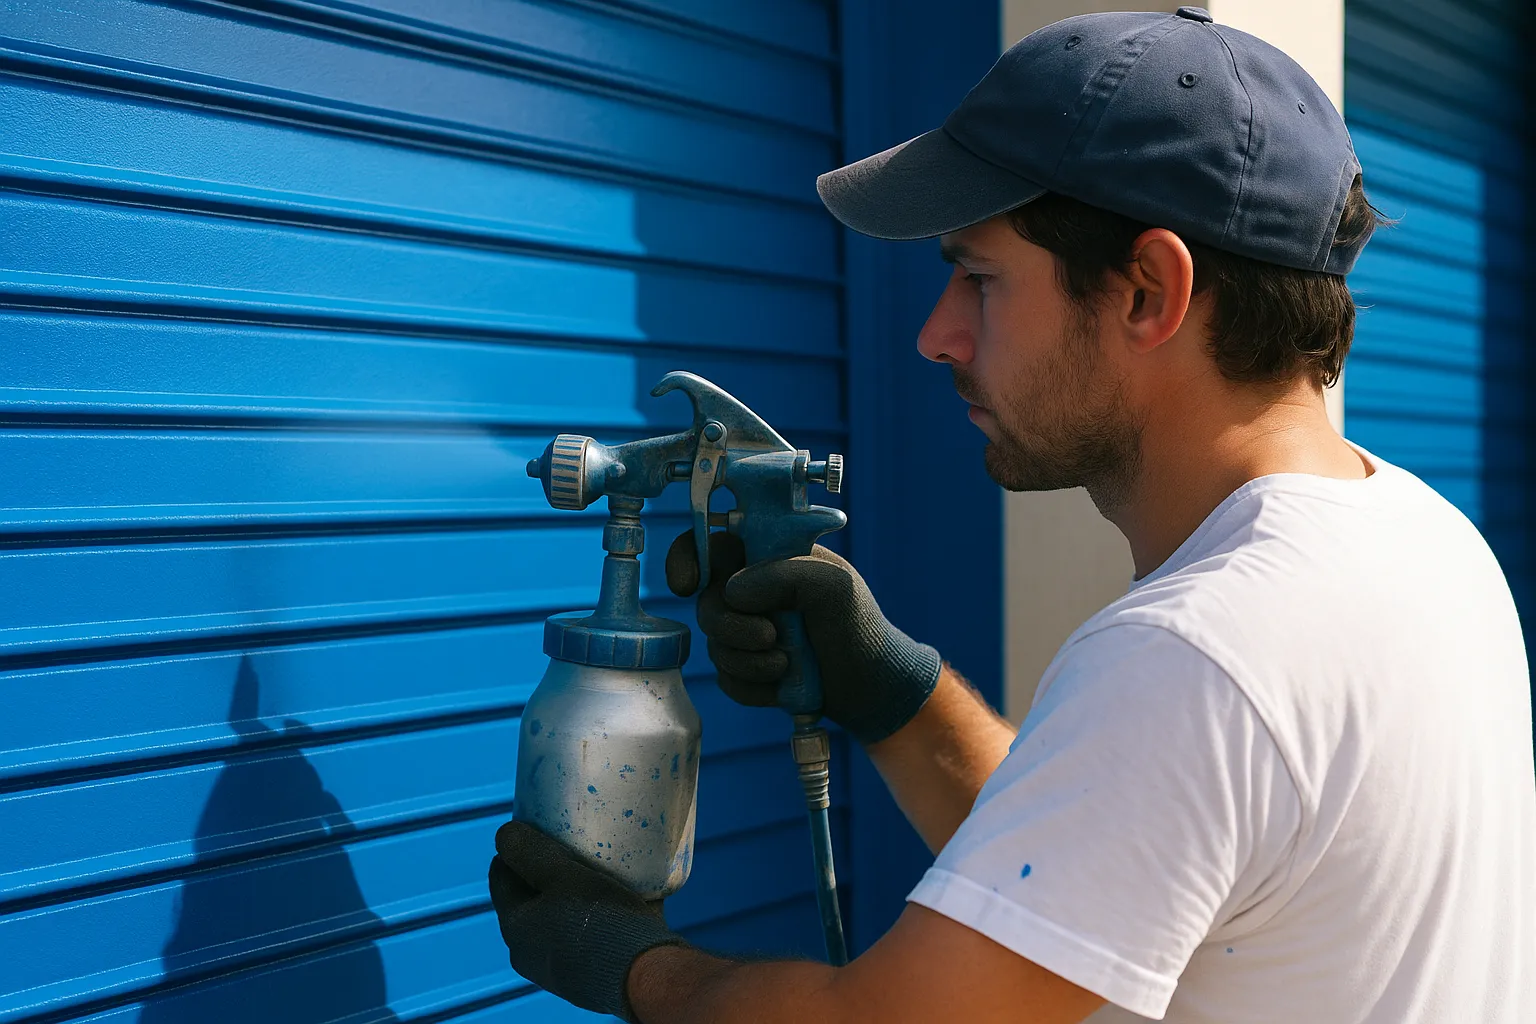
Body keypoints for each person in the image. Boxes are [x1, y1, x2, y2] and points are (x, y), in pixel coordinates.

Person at [486, 8, 1536, 1022]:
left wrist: (632, 962)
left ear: (1147, 294)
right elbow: (1105, 884)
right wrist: (898, 692)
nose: (937, 338)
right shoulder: (1427, 541)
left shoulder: (1202, 654)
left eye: (979, 280)